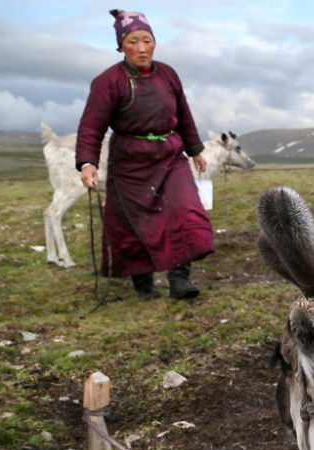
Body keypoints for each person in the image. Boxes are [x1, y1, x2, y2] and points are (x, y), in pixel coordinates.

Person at [76, 9, 214, 300]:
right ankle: (144, 285)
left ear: (154, 43)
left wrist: (195, 149)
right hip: (130, 161)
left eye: (147, 40)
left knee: (185, 211)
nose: (141, 48)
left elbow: (183, 114)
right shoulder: (108, 81)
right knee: (133, 223)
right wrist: (87, 162)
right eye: (133, 41)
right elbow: (92, 125)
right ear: (120, 46)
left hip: (170, 155)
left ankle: (180, 279)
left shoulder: (168, 74)